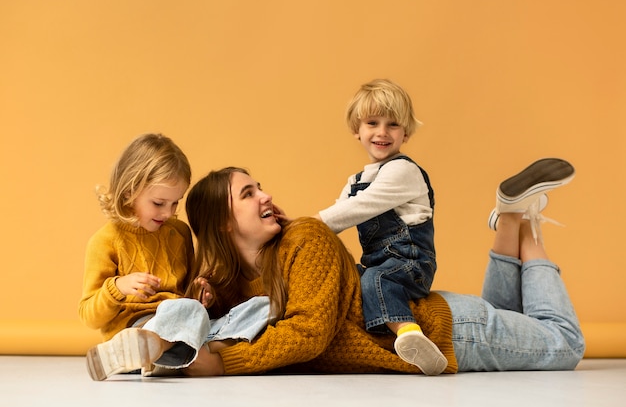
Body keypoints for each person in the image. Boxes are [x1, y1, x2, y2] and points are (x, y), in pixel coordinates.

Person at [183, 158, 584, 377]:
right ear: (223, 222)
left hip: (453, 333)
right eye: (248, 194)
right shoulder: (238, 280)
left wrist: (223, 363)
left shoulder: (304, 238)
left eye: (259, 186)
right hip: (444, 319)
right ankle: (510, 218)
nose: (265, 195)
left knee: (566, 343)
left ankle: (526, 228)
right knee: (516, 317)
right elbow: (233, 321)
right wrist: (205, 299)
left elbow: (308, 334)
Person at [79, 134, 272, 381]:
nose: (168, 212)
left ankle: (174, 357)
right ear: (129, 192)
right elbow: (89, 315)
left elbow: (187, 292)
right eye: (159, 203)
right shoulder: (105, 242)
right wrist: (118, 287)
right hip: (138, 328)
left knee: (262, 307)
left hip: (187, 325)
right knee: (186, 310)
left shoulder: (179, 233)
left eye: (175, 203)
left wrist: (203, 292)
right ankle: (145, 349)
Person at [314, 79, 445, 374]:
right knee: (351, 278)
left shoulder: (403, 171)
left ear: (406, 133)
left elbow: (357, 209)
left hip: (411, 264)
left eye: (393, 125)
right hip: (377, 263)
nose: (382, 132)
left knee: (376, 280)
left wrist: (309, 225)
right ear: (356, 130)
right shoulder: (356, 181)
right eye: (373, 123)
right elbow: (340, 211)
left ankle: (410, 334)